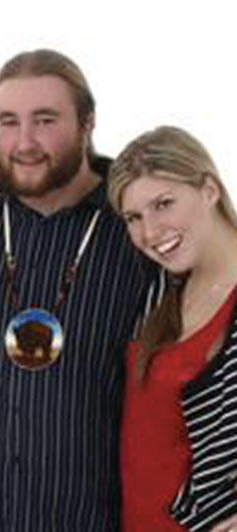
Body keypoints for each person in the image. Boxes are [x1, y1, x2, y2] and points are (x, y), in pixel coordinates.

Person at [0, 49, 155, 531]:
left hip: (94, 521)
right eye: (8, 122)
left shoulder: (137, 220)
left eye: (45, 120)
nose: (24, 142)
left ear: (88, 124)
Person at [110, 126, 237, 532]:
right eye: (134, 217)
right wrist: (9, 179)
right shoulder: (161, 286)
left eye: (164, 204)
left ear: (209, 189)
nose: (150, 233)